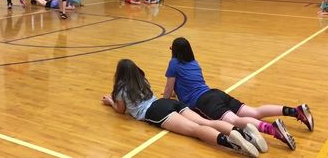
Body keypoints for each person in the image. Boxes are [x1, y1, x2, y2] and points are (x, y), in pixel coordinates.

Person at [163, 37, 315, 151]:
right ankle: (295, 111)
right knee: (254, 111)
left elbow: (169, 89)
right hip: (216, 93)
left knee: (234, 120)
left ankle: (272, 129)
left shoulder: (174, 63)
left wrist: (164, 102)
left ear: (175, 52)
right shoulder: (195, 63)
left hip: (203, 101)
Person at [102, 59, 261, 157]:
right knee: (206, 122)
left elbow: (121, 110)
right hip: (169, 103)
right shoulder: (143, 81)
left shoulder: (121, 89)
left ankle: (232, 144)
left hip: (156, 111)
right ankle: (241, 132)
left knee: (195, 130)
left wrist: (111, 101)